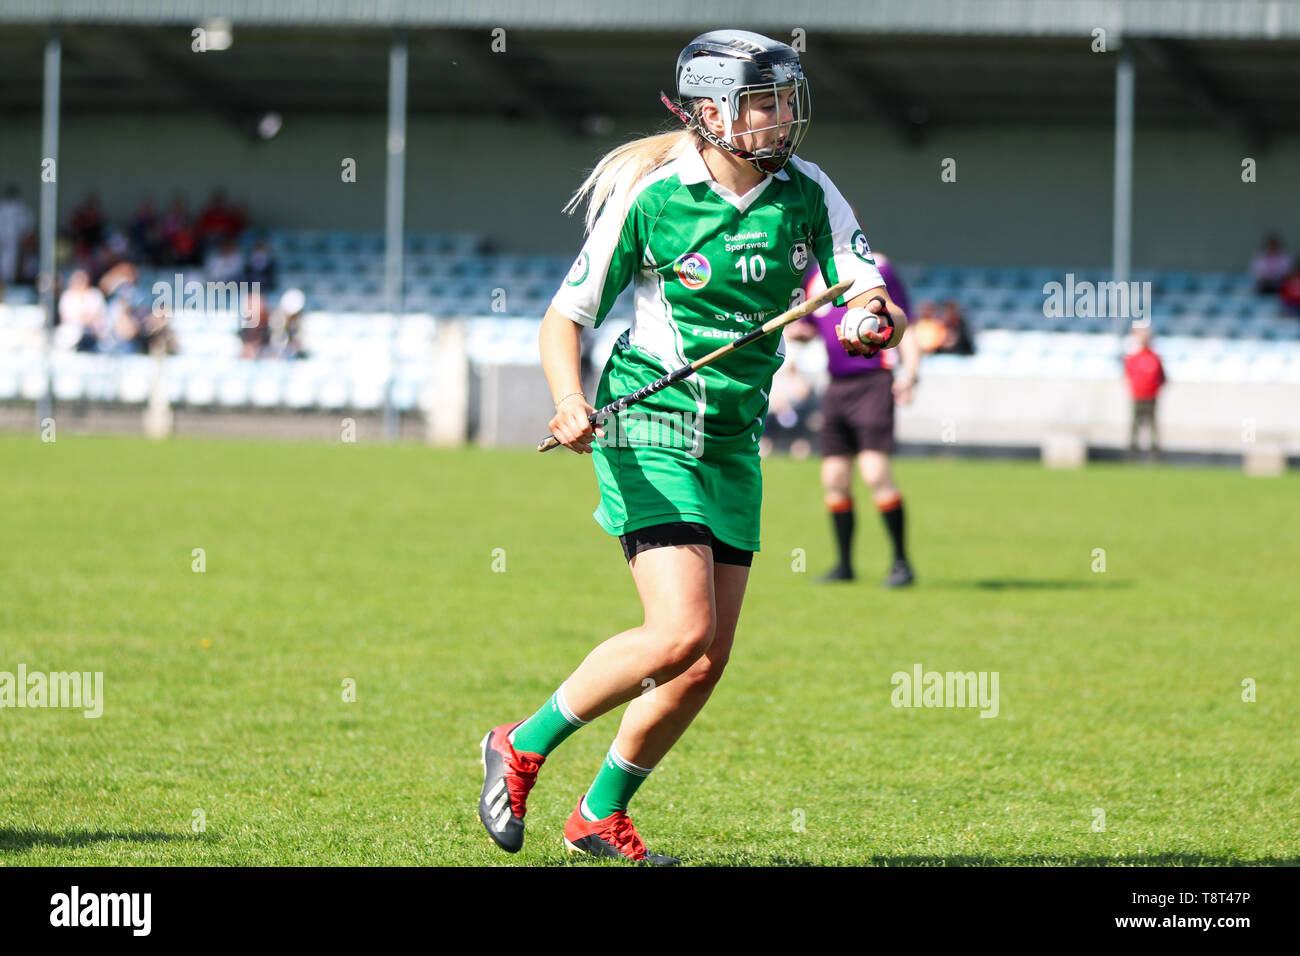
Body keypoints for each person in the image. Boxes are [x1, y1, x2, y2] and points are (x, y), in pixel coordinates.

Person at [476, 29, 906, 865]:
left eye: (786, 99)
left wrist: (865, 317)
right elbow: (564, 318)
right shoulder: (654, 200)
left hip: (733, 440)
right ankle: (516, 745)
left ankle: (598, 816)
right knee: (678, 632)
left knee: (704, 663)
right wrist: (568, 401)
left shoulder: (809, 192)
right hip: (651, 424)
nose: (782, 118)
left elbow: (861, 285)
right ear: (711, 113)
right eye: (762, 102)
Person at [786, 250, 921, 587]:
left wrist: (911, 375)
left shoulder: (878, 269)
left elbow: (904, 321)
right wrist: (796, 344)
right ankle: (844, 565)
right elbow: (806, 325)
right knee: (834, 479)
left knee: (875, 473)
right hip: (836, 386)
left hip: (873, 382)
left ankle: (902, 563)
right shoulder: (815, 276)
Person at [1124, 325, 1166, 463]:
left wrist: (1154, 389)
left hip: (1151, 399)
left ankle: (1155, 459)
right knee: (1134, 430)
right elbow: (1128, 375)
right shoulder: (1133, 358)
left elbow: (1163, 378)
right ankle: (1131, 458)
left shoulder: (1155, 358)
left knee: (1153, 430)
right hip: (1137, 398)